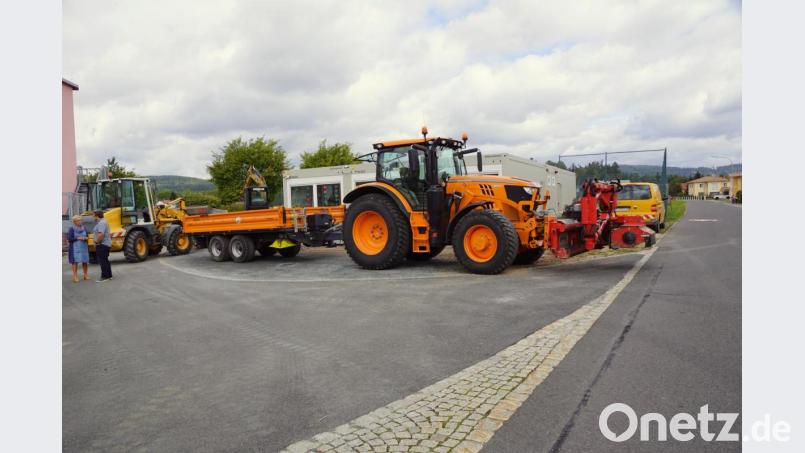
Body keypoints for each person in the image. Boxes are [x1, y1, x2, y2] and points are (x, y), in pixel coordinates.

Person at [67, 215, 90, 282]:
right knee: (75, 262)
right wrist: (78, 238)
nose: (80, 222)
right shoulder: (71, 229)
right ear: (74, 222)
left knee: (85, 261)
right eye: (78, 220)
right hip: (75, 248)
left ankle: (85, 275)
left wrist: (86, 238)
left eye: (81, 220)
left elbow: (87, 236)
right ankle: (75, 276)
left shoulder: (84, 228)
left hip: (83, 247)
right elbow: (69, 239)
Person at [93, 210, 113, 281]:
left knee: (102, 261)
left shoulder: (101, 223)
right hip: (104, 244)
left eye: (93, 215)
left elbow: (101, 234)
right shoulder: (102, 222)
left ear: (97, 216)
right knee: (105, 260)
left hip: (102, 244)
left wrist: (97, 242)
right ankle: (109, 275)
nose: (93, 217)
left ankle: (104, 276)